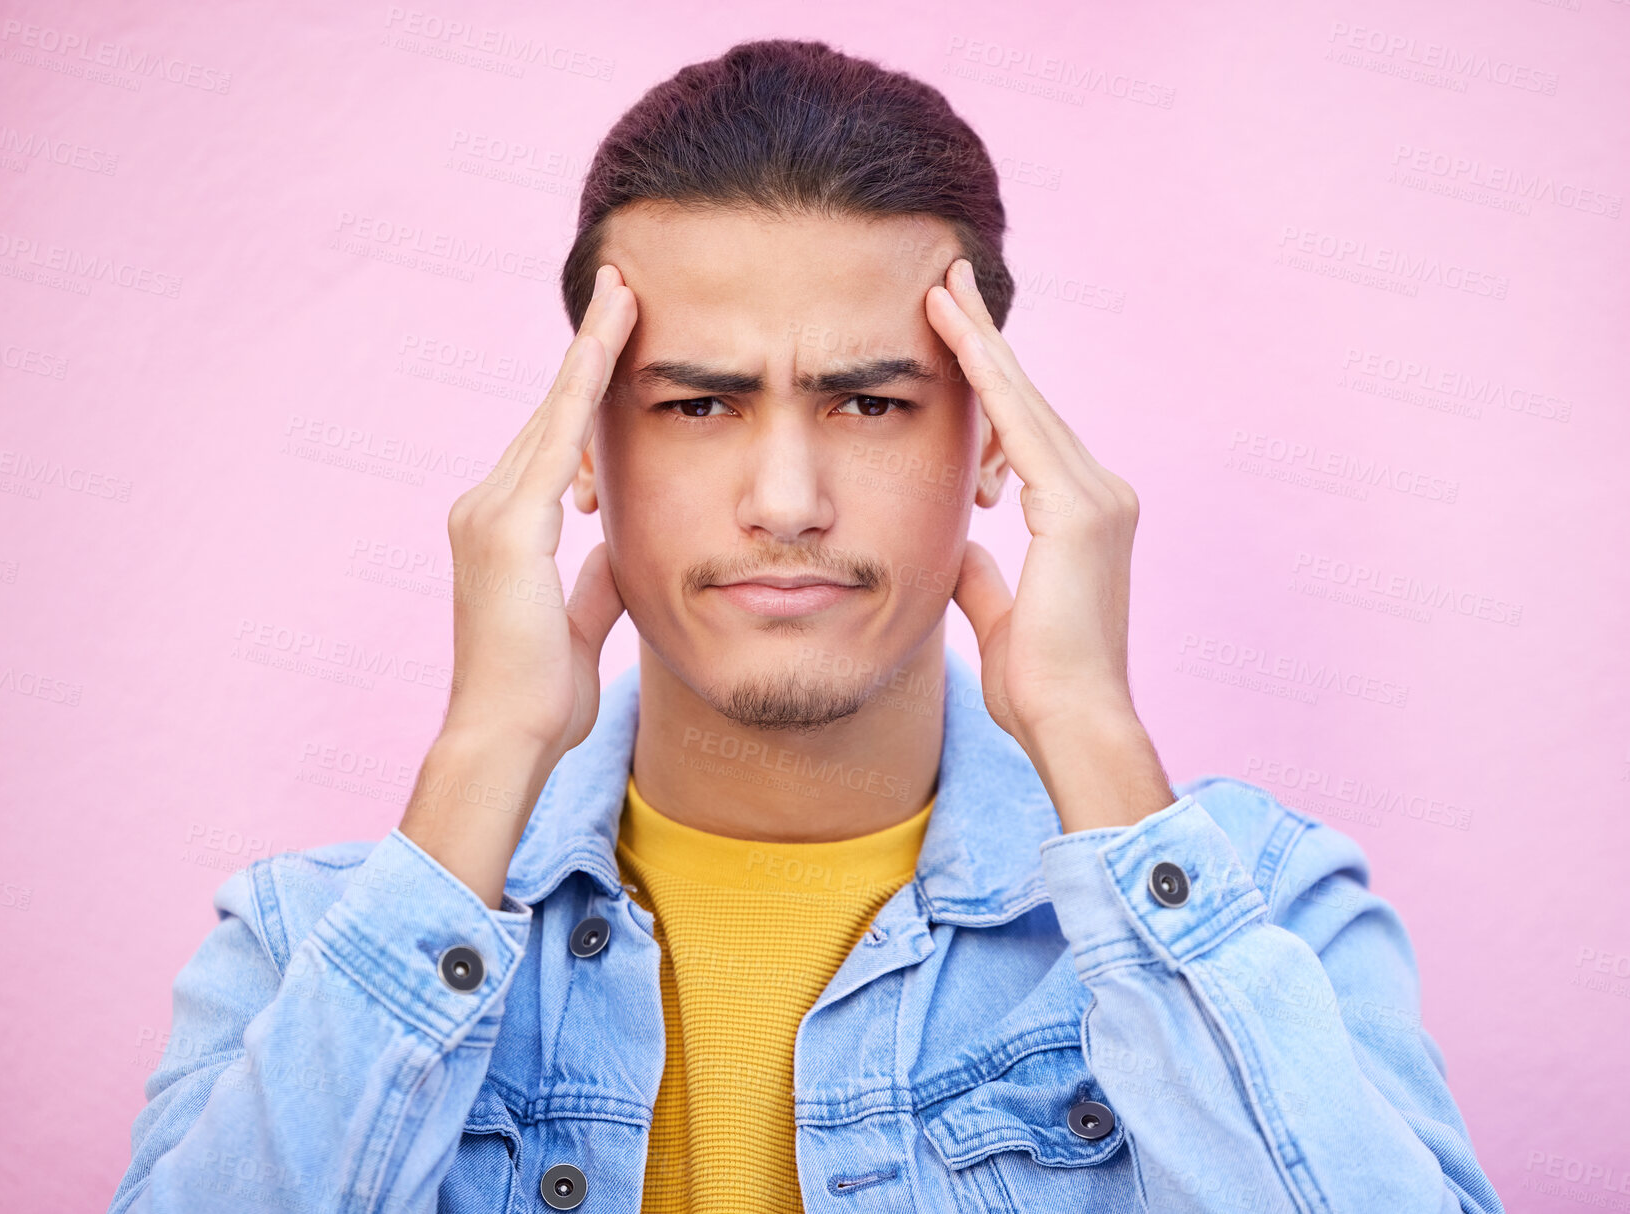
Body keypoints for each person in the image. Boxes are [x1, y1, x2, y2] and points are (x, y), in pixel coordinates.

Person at [107, 38, 1503, 1214]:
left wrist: (1090, 738)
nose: (787, 500)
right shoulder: (309, 946)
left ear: (1000, 448)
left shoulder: (1270, 914)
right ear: (578, 452)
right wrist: (484, 752)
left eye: (872, 402)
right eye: (697, 403)